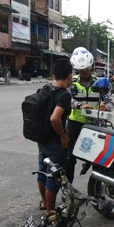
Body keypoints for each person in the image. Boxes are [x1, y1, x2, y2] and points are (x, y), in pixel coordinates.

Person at [67, 47, 114, 183]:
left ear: (91, 66)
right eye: (81, 70)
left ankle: (96, 189)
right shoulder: (72, 82)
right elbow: (66, 100)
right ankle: (68, 188)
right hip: (74, 123)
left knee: (98, 157)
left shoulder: (100, 82)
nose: (84, 72)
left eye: (87, 69)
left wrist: (105, 106)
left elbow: (110, 103)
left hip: (94, 124)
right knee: (69, 157)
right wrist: (79, 105)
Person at [37, 59, 73, 212]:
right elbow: (54, 118)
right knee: (53, 178)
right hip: (55, 143)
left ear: (53, 75)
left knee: (42, 172)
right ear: (69, 76)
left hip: (42, 139)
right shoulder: (63, 95)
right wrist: (64, 136)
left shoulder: (45, 89)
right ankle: (50, 213)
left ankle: (44, 202)